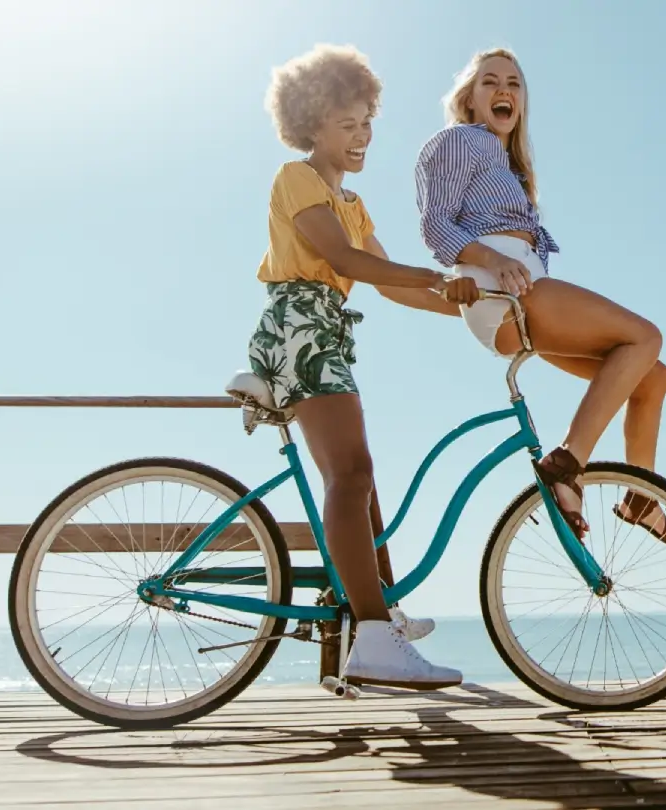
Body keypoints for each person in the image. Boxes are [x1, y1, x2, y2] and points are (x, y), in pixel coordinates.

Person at [235, 44, 479, 689]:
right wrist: (441, 274)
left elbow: (393, 287)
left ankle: (377, 612)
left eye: (368, 120)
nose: (363, 134)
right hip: (299, 328)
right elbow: (347, 263)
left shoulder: (355, 203)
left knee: (357, 480)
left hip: (328, 335)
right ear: (312, 125)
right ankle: (372, 636)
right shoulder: (299, 179)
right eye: (349, 124)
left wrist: (474, 315)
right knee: (352, 474)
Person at [414, 48, 666, 549]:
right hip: (505, 293)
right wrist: (494, 264)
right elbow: (435, 224)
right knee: (646, 336)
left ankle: (641, 497)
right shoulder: (458, 140)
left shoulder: (507, 164)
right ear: (468, 100)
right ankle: (565, 464)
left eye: (514, 84)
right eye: (489, 82)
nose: (504, 91)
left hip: (521, 294)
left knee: (652, 376)